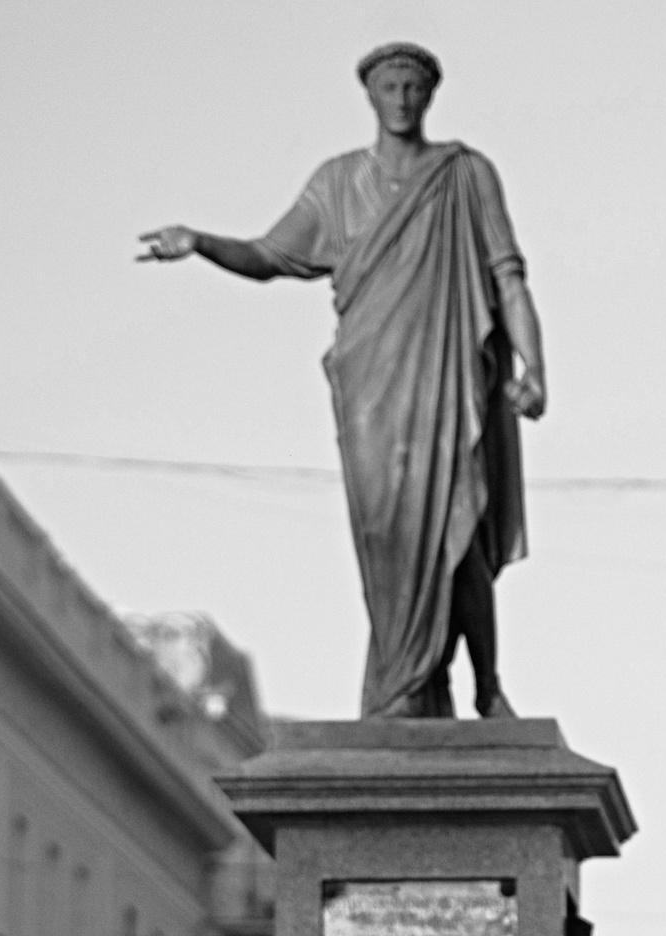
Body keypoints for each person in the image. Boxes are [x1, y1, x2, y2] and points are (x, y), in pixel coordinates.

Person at [139, 43, 546, 719]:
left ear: (430, 96)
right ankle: (407, 682)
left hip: (447, 379)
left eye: (414, 85)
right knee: (387, 540)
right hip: (371, 389)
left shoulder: (466, 175)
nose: (402, 97)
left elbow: (507, 277)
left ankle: (488, 686)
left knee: (460, 526)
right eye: (390, 85)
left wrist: (535, 366)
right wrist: (202, 242)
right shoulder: (336, 184)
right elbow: (270, 254)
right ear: (370, 95)